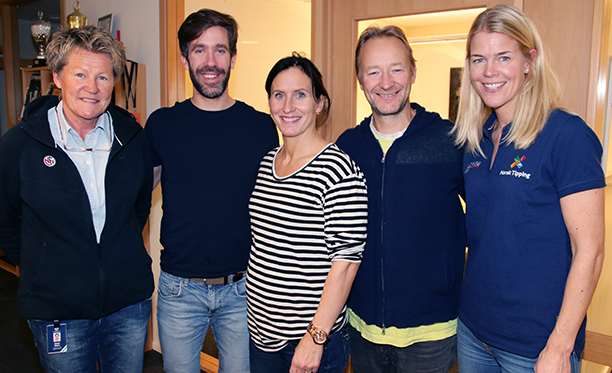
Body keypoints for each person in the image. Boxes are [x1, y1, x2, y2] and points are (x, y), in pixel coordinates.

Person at [452, 5, 605, 373]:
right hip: (473, 332)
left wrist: (560, 345)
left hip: (536, 346)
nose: (489, 72)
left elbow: (591, 250)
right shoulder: (476, 141)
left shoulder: (566, 135)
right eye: (478, 59)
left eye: (503, 57)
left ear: (529, 61)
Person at [0, 25, 153, 372]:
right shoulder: (20, 144)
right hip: (58, 310)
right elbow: (5, 219)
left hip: (127, 305)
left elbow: (138, 208)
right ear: (57, 77)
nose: (92, 87)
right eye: (80, 73)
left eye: (103, 76)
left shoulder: (132, 139)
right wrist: (42, 267)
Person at [144, 8, 279, 373]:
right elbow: (135, 197)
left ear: (233, 57)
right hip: (178, 291)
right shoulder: (162, 125)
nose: (210, 61)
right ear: (185, 56)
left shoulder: (261, 127)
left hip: (244, 290)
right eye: (199, 49)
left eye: (220, 50)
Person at [335, 26, 466, 373]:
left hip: (432, 333)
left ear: (412, 71)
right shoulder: (347, 147)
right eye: (373, 72)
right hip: (362, 329)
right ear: (360, 80)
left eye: (396, 68)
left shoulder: (449, 141)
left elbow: (489, 220)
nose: (386, 82)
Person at [246, 53, 368, 373]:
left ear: (319, 104)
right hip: (261, 338)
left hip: (309, 342)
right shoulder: (266, 163)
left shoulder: (338, 169)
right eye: (279, 95)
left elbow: (346, 263)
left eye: (300, 95)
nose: (288, 107)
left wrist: (315, 339)